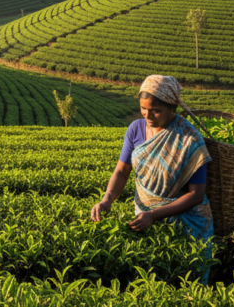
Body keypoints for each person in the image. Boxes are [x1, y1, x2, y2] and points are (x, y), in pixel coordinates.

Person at [90, 74, 214, 282]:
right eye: (143, 108)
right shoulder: (135, 129)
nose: (148, 115)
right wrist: (107, 199)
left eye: (156, 110)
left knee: (186, 284)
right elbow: (122, 171)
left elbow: (196, 195)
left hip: (186, 223)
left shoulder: (190, 139)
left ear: (173, 108)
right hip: (145, 218)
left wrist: (154, 215)